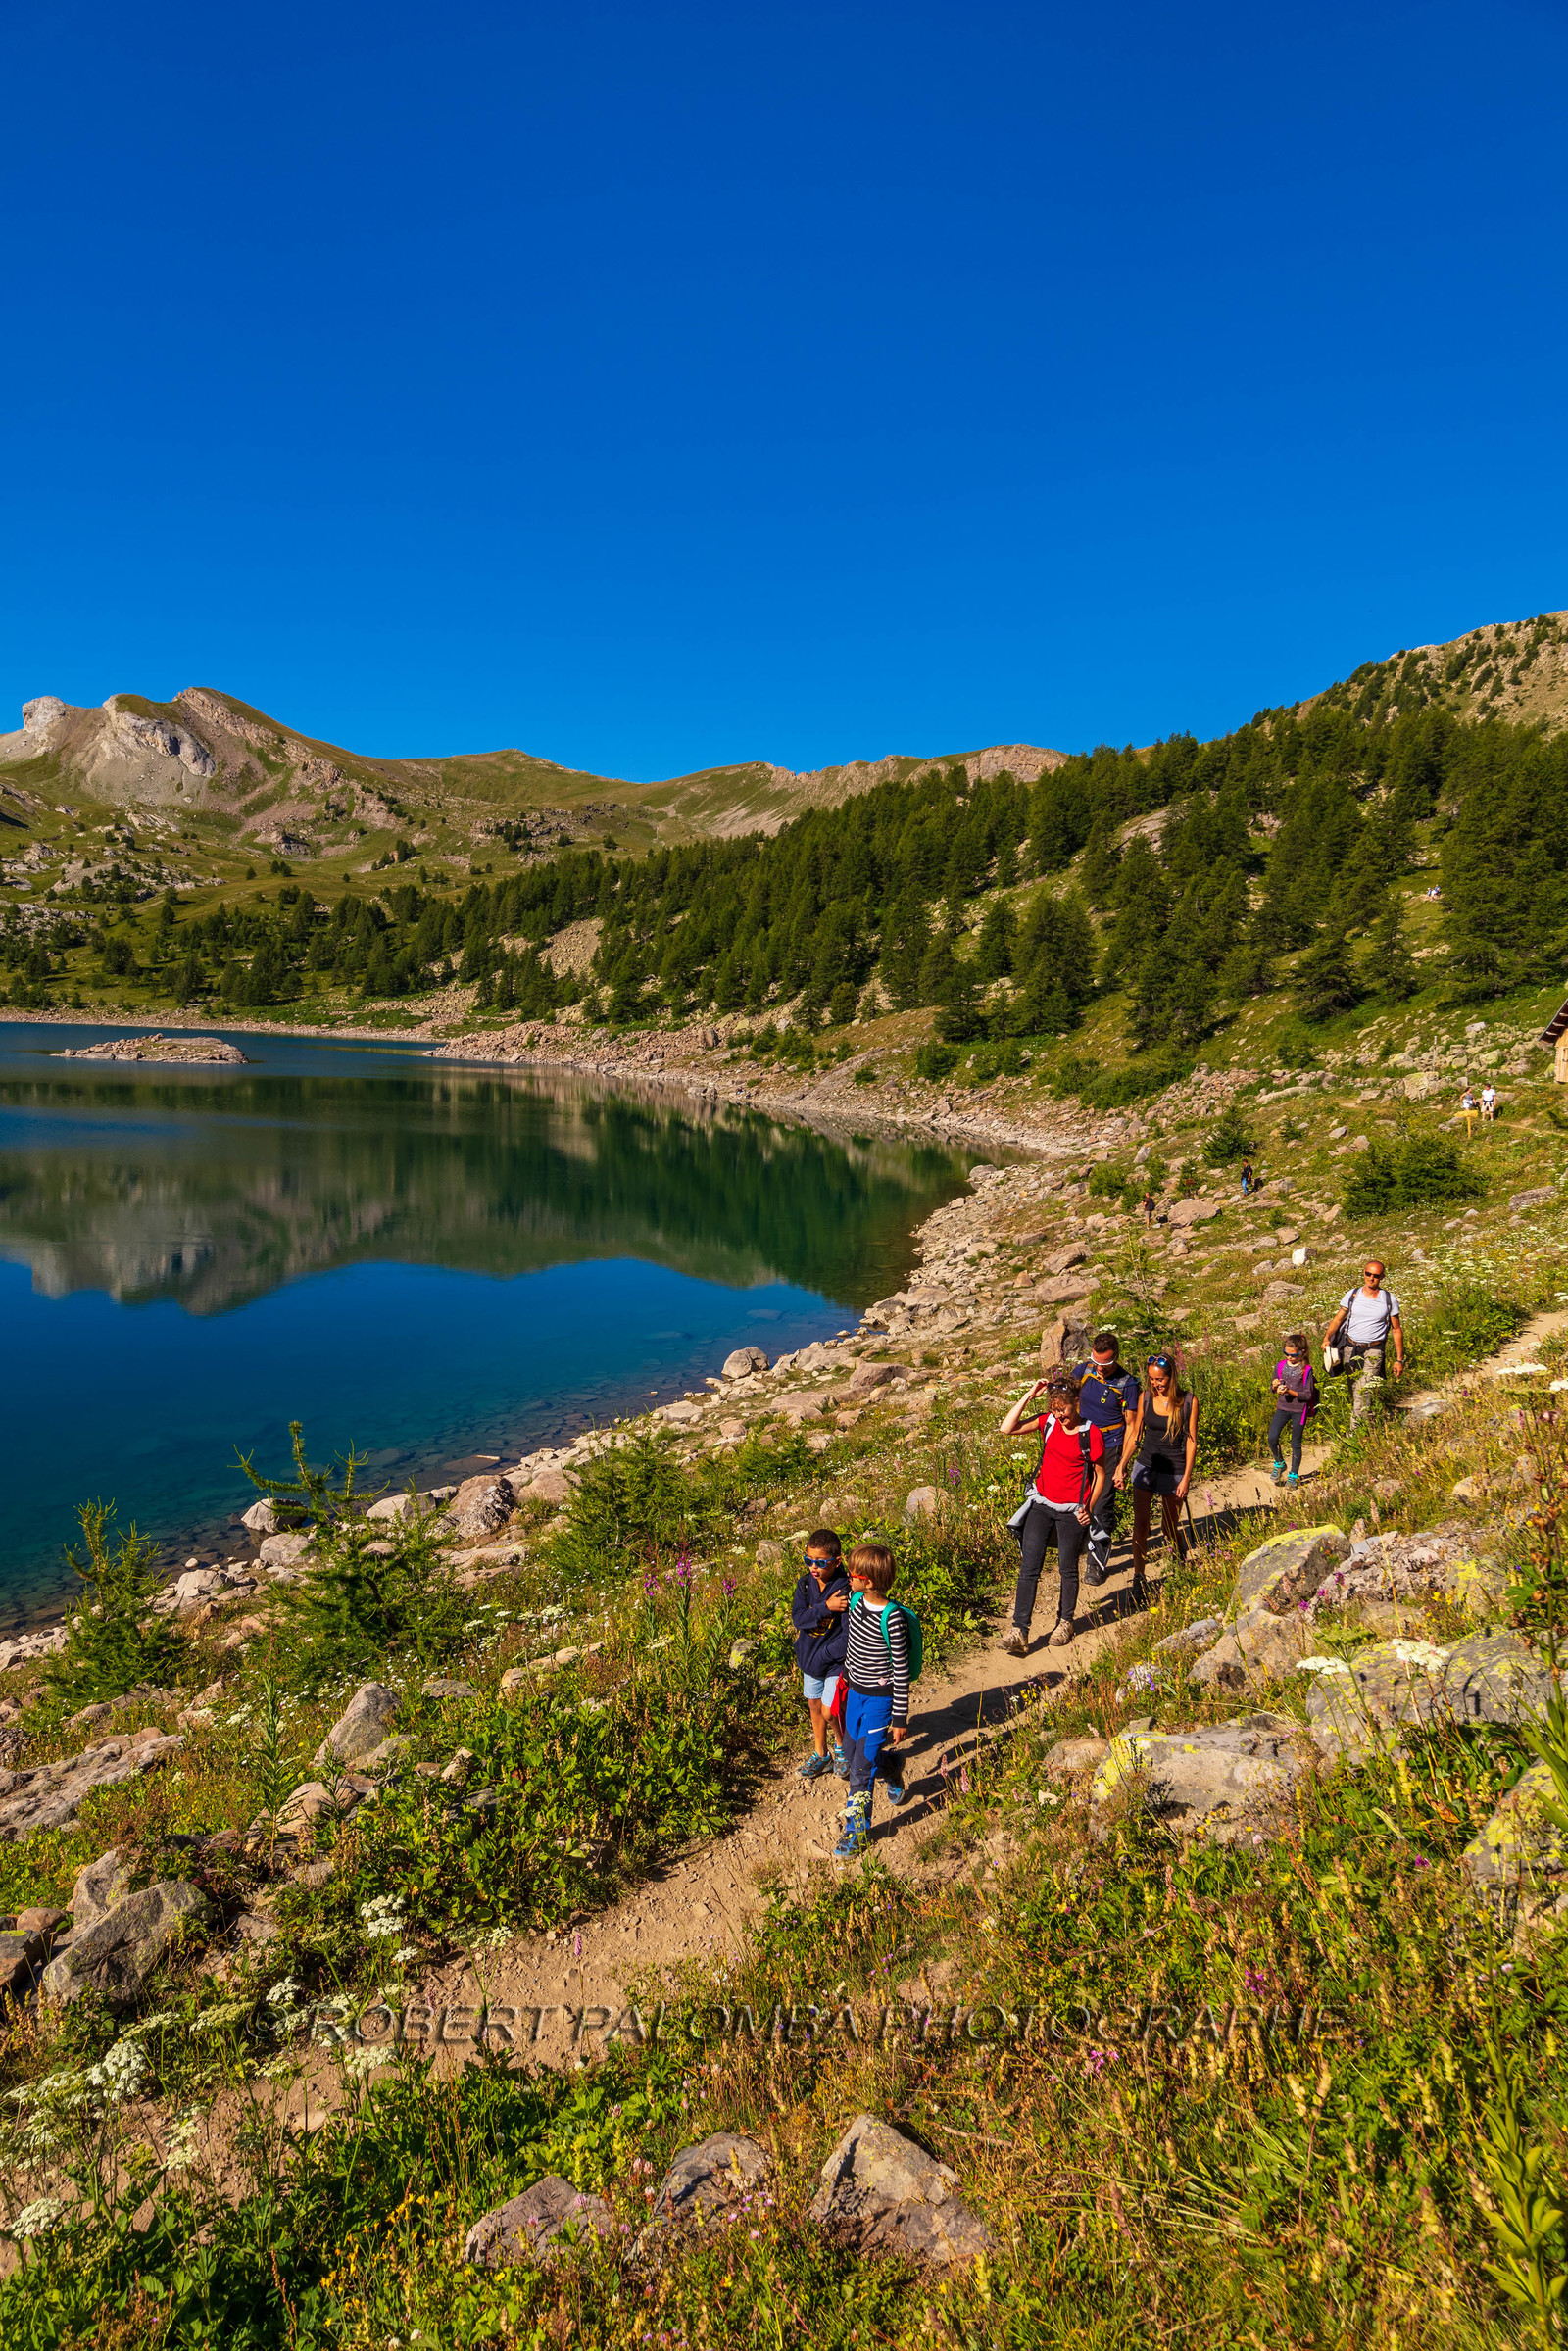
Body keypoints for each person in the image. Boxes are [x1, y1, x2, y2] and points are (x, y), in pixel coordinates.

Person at [997, 1366, 1107, 1655]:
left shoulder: (1090, 1433)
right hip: (1042, 1505)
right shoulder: (1047, 1422)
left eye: (1065, 1410)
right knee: (1029, 1567)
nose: (1061, 1416)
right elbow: (1006, 1428)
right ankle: (1019, 1630)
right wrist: (1029, 1395)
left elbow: (1100, 1474)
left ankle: (1065, 1622)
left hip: (1072, 1511)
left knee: (1067, 1569)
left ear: (1077, 1403)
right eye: (1056, 1410)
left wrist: (1089, 1507)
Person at [835, 1541, 910, 1858]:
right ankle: (892, 1766)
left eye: (852, 1573)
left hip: (880, 1701)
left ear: (868, 1580)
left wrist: (900, 1717)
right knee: (853, 1757)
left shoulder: (892, 1618)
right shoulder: (855, 1601)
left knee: (860, 1771)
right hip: (854, 1694)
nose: (847, 1577)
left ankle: (858, 1832)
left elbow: (902, 1669)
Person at [1115, 1350, 1198, 1598]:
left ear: (1171, 1377)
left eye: (1160, 1379)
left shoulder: (1188, 1401)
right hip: (1145, 1466)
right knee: (1140, 1526)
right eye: (1152, 1379)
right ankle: (1138, 1577)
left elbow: (1192, 1440)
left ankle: (1180, 1557)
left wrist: (1186, 1478)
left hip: (1174, 1469)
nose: (1155, 1384)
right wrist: (1122, 1465)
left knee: (1168, 1527)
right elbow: (1135, 1434)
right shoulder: (1145, 1398)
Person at [1071, 1329, 1140, 1586]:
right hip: (1082, 1441)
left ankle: (1096, 1563)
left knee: (1101, 1505)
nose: (1100, 1369)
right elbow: (1067, 1396)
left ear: (1117, 1358)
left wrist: (1122, 1464)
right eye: (1097, 1362)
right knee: (1077, 1497)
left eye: (1106, 1364)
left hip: (1110, 1447)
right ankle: (1075, 1547)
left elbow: (1133, 1427)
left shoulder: (1128, 1384)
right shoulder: (1084, 1370)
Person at [791, 1529, 850, 1780]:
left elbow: (848, 1637)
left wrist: (825, 1655)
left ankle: (842, 1747)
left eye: (820, 1562)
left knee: (831, 1711)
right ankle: (821, 1754)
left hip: (833, 1662)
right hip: (809, 1658)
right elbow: (798, 1619)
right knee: (814, 1705)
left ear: (836, 1561)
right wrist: (825, 1608)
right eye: (808, 1560)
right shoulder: (805, 1584)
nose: (813, 1567)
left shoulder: (845, 1590)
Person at [1323, 1261, 1403, 1422]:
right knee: (1353, 1387)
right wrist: (1327, 1338)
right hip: (1350, 1348)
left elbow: (1396, 1329)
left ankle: (1356, 1434)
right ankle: (1370, 1417)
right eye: (1368, 1274)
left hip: (1374, 1350)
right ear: (1364, 1273)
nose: (1371, 1278)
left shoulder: (1389, 1299)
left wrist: (1399, 1359)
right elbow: (1338, 1318)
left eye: (1376, 1275)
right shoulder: (1352, 1295)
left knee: (1363, 1389)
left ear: (1382, 1277)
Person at [1269, 1331, 1318, 1485]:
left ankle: (1293, 1474)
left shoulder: (1307, 1370)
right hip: (1282, 1408)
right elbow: (1272, 1386)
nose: (1288, 1357)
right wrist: (1275, 1386)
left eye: (1292, 1355)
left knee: (1295, 1443)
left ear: (1302, 1352)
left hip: (1299, 1411)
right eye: (1285, 1353)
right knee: (1272, 1438)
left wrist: (1289, 1391)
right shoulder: (1280, 1365)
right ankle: (1279, 1463)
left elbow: (1308, 1395)